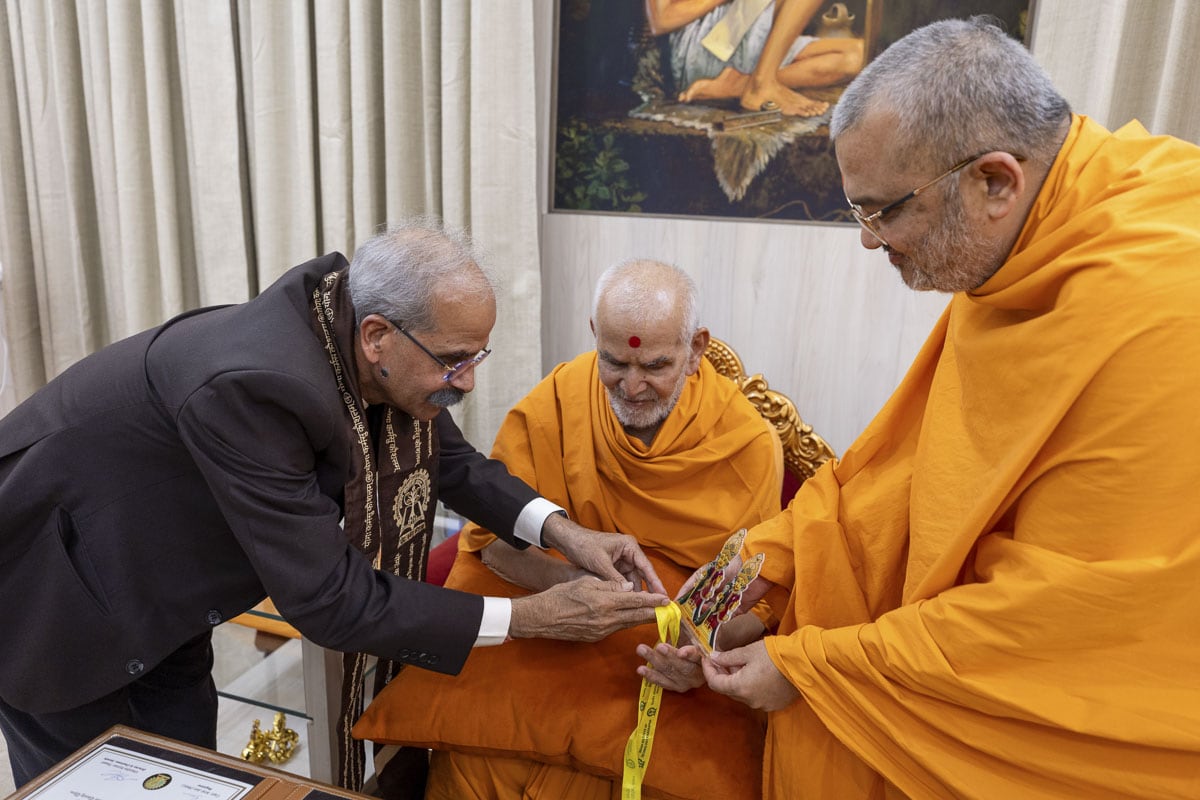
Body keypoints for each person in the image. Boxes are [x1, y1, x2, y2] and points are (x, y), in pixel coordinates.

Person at [648, 16, 1200, 799]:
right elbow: (914, 476)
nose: (869, 241)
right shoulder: (1029, 241)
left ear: (996, 182)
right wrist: (774, 565)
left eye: (884, 211)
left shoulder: (1159, 303)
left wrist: (811, 668)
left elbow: (1062, 629)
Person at [0, 221, 671, 792]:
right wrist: (530, 618)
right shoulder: (259, 388)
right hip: (53, 603)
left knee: (190, 780)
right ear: (377, 336)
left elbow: (455, 462)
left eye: (476, 356)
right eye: (454, 360)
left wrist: (565, 532)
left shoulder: (353, 331)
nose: (466, 381)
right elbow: (330, 599)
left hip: (168, 602)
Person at [352, 259, 785, 799]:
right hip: (550, 621)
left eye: (655, 365)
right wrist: (569, 586)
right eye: (614, 362)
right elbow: (492, 545)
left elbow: (757, 595)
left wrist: (699, 658)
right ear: (594, 336)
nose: (632, 386)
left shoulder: (745, 443)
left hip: (664, 659)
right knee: (477, 765)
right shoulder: (557, 401)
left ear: (695, 349)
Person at [646, 0, 865, 116]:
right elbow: (661, 20)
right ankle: (761, 83)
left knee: (859, 57)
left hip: (739, 32)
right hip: (701, 48)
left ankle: (739, 85)